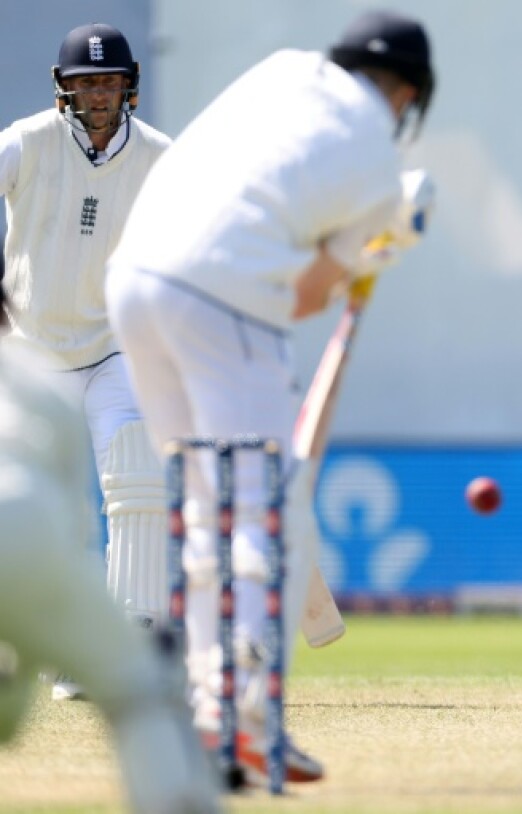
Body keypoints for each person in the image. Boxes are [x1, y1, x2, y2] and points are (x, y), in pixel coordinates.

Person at [105, 9, 435, 785]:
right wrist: (378, 251)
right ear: (408, 95)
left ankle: (200, 709)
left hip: (133, 282)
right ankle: (247, 718)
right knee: (264, 516)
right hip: (225, 300)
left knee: (199, 506)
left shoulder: (282, 69)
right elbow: (305, 297)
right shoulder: (379, 164)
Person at [0, 23, 174, 702]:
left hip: (112, 347)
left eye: (109, 82)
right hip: (30, 352)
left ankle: (127, 645)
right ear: (64, 89)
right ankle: (50, 642)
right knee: (40, 500)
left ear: (129, 87)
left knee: (135, 469)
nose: (98, 95)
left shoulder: (160, 156)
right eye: (86, 83)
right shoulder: (26, 142)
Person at [0, 314, 221, 813]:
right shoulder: (39, 384)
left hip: (24, 532)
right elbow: (62, 534)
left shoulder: (41, 373)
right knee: (142, 688)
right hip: (25, 529)